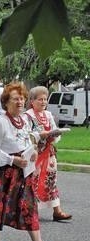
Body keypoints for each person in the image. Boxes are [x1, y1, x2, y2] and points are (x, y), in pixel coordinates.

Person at [0, 83, 60, 241]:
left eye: (22, 98)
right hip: (2, 171)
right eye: (15, 99)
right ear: (6, 102)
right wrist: (12, 160)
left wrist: (32, 149)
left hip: (22, 171)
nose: (20, 102)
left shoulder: (25, 120)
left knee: (29, 207)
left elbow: (27, 139)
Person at [25, 86, 72, 221]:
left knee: (51, 179)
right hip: (35, 154)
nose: (43, 102)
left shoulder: (48, 115)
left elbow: (53, 130)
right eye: (40, 99)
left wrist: (54, 135)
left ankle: (57, 211)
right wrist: (40, 135)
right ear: (32, 101)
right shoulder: (27, 116)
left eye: (45, 99)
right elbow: (25, 135)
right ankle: (29, 210)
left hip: (48, 153)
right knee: (33, 181)